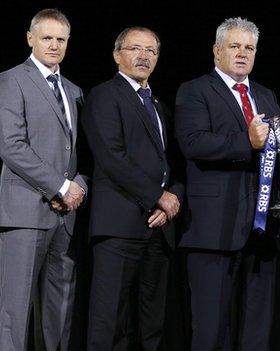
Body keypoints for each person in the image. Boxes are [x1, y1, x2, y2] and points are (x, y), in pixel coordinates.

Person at [175, 17, 280, 350]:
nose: (242, 53)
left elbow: (276, 153)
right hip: (213, 230)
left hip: (262, 230)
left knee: (256, 331)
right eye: (234, 46)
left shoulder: (266, 95)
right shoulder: (194, 90)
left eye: (249, 48)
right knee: (210, 331)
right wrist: (245, 141)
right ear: (217, 50)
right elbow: (194, 143)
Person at [0, 9, 85, 351]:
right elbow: (10, 144)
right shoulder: (11, 79)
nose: (54, 45)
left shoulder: (74, 90)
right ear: (30, 39)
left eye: (61, 39)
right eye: (47, 38)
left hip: (65, 216)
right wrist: (60, 186)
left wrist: (77, 188)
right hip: (24, 212)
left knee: (59, 311)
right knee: (15, 309)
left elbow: (79, 154)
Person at [81, 26, 183, 350]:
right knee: (109, 323)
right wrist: (158, 197)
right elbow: (112, 157)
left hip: (158, 229)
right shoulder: (103, 95)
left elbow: (174, 164)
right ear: (117, 55)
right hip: (119, 228)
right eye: (135, 48)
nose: (144, 56)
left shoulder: (160, 105)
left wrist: (174, 198)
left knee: (151, 326)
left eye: (151, 50)